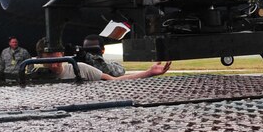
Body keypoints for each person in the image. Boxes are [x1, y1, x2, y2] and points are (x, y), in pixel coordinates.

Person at [33, 38, 171, 82]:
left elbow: (114, 81)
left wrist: (149, 73)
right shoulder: (33, 75)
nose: (55, 64)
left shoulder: (80, 69)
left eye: (57, 58)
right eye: (49, 60)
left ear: (62, 54)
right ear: (39, 59)